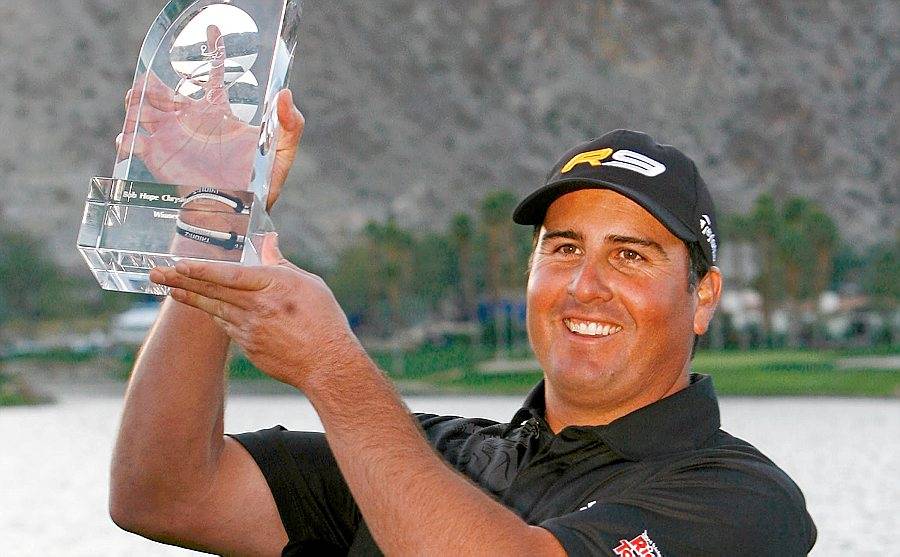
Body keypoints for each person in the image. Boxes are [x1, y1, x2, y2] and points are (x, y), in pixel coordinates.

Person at [109, 107, 817, 554]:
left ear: (702, 298)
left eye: (630, 256)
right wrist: (217, 222)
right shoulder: (426, 455)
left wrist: (331, 367)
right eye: (563, 248)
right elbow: (164, 492)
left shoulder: (744, 502)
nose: (585, 285)